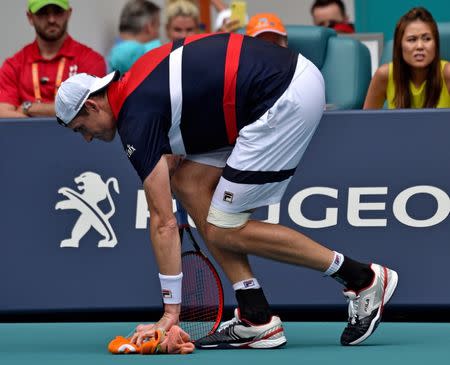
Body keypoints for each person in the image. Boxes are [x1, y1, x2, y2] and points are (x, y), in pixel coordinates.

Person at [55, 33, 398, 349]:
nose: (86, 137)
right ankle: (255, 316)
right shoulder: (134, 86)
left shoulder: (136, 119)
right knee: (187, 182)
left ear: (92, 106)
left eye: (81, 128)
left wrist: (170, 313)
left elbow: (162, 222)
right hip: (251, 98)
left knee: (223, 228)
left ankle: (363, 277)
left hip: (281, 93)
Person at [0, 0, 106, 118]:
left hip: (74, 137)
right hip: (28, 136)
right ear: (30, 17)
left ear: (68, 13)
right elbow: (3, 113)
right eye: (43, 13)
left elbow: (89, 109)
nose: (51, 19)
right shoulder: (13, 65)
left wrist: (29, 107)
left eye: (58, 12)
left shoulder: (91, 60)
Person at [364, 7, 450, 109]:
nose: (420, 46)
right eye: (412, 39)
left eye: (427, 39)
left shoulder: (448, 73)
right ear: (399, 46)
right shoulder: (384, 75)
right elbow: (365, 122)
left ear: (436, 44)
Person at [107, 0, 161, 75]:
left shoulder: (115, 50)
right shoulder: (138, 51)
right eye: (158, 25)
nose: (158, 33)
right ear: (149, 26)